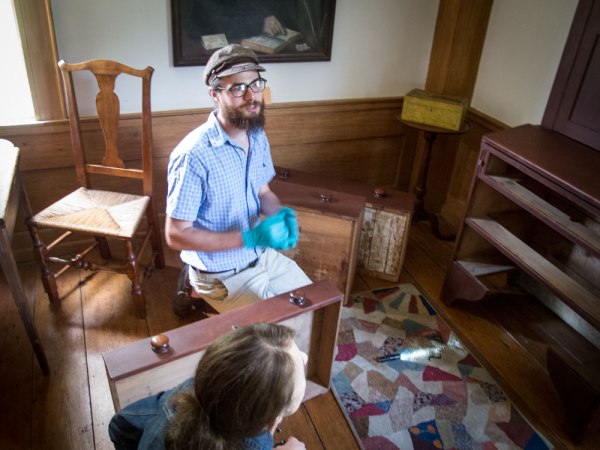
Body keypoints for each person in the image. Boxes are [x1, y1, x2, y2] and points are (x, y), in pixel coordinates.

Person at [165, 44, 311, 316]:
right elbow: (175, 235)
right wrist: (250, 236)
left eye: (255, 84)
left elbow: (262, 190)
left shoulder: (255, 133)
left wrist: (278, 213)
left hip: (261, 256)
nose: (251, 96)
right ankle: (196, 284)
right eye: (237, 88)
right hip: (221, 273)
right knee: (283, 334)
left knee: (314, 306)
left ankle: (193, 287)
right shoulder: (192, 155)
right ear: (215, 94)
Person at [108, 322, 307, 449]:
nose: (305, 357)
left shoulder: (195, 393)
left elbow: (120, 426)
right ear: (272, 420)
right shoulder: (256, 445)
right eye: (300, 359)